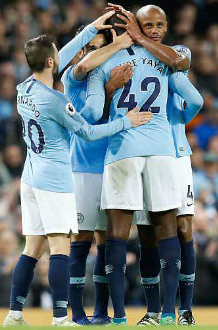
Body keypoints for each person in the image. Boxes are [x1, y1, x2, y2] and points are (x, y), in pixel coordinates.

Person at [2, 31, 152, 326]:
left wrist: (94, 26)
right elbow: (89, 129)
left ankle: (14, 313)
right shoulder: (59, 97)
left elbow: (62, 54)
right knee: (60, 247)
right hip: (56, 179)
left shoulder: (24, 88)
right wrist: (126, 120)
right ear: (51, 61)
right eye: (58, 54)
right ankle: (61, 317)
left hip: (31, 175)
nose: (66, 56)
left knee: (32, 248)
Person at [82, 6, 203, 325]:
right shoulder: (168, 60)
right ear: (136, 24)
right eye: (147, 25)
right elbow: (193, 93)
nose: (154, 29)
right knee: (165, 231)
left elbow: (92, 109)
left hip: (124, 148)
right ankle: (163, 313)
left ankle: (121, 316)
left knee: (117, 235)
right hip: (164, 148)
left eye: (160, 24)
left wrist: (108, 85)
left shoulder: (109, 60)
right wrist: (174, 123)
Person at [62, 21, 134, 325]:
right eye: (93, 49)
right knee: (80, 242)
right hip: (83, 167)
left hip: (114, 165)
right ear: (82, 50)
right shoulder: (73, 76)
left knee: (106, 245)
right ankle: (77, 313)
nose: (97, 55)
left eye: (102, 48)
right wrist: (114, 48)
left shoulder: (123, 75)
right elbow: (91, 119)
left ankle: (102, 313)